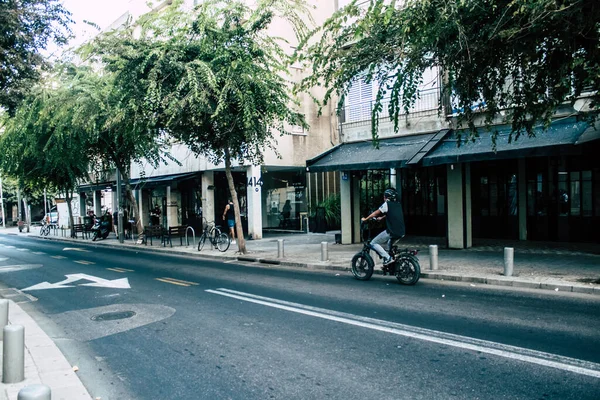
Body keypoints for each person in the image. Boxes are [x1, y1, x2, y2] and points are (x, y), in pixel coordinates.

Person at [361, 188, 406, 266]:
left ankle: (388, 259)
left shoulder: (387, 204)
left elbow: (375, 213)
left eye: (384, 197)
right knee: (389, 245)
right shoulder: (398, 204)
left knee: (373, 243)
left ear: (387, 197)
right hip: (401, 232)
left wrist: (366, 219)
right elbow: (393, 214)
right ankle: (393, 262)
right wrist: (382, 218)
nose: (384, 198)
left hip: (392, 231)